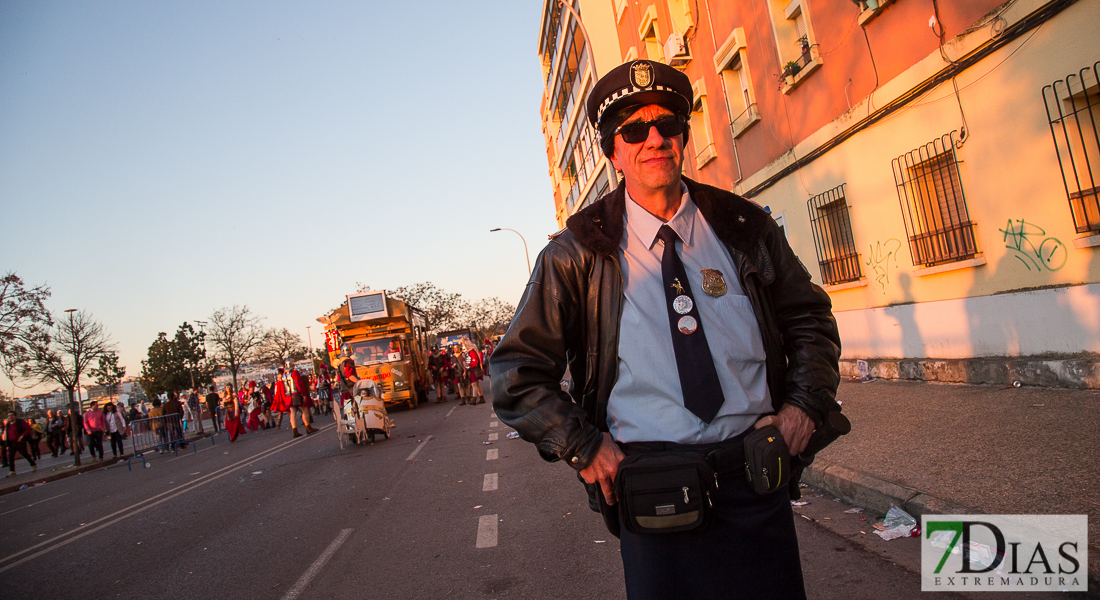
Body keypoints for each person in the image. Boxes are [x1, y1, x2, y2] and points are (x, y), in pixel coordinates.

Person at [490, 60, 842, 600]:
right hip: (653, 490)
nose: (655, 138)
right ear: (613, 151)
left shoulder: (743, 226)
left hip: (756, 476)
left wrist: (803, 408)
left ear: (683, 136)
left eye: (668, 125)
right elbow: (515, 374)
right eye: (634, 129)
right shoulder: (577, 253)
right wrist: (584, 446)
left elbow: (809, 319)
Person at [281, 360, 317, 438]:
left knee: (292, 413)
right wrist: (304, 394)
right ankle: (308, 427)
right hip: (295, 394)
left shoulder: (284, 375)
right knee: (304, 410)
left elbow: (283, 387)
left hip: (288, 395)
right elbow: (299, 384)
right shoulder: (294, 373)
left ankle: (295, 431)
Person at [2, 411, 37, 477]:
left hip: (20, 442)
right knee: (10, 457)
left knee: (25, 454)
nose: (10, 417)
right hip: (11, 443)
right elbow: (7, 433)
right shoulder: (8, 424)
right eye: (9, 416)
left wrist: (22, 436)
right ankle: (12, 471)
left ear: (15, 416)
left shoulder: (20, 422)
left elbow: (28, 428)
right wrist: (7, 443)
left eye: (12, 415)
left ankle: (33, 464)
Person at [463, 340, 486, 405]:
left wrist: (468, 364)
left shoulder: (472, 352)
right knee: (477, 385)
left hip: (474, 369)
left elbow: (475, 361)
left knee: (474, 385)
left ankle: (474, 399)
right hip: (472, 370)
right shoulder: (470, 352)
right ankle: (481, 398)